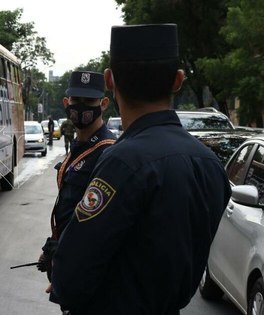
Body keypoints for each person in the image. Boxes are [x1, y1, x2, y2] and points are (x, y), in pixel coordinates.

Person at [48, 24, 231, 315]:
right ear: (178, 81)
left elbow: (71, 276)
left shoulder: (121, 162)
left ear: (109, 80)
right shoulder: (209, 163)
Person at [36, 71, 116, 309]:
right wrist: (52, 247)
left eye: (89, 102)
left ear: (103, 103)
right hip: (67, 262)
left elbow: (97, 227)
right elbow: (70, 209)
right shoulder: (78, 147)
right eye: (76, 101)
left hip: (85, 273)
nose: (81, 108)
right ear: (66, 104)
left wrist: (68, 269)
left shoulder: (107, 152)